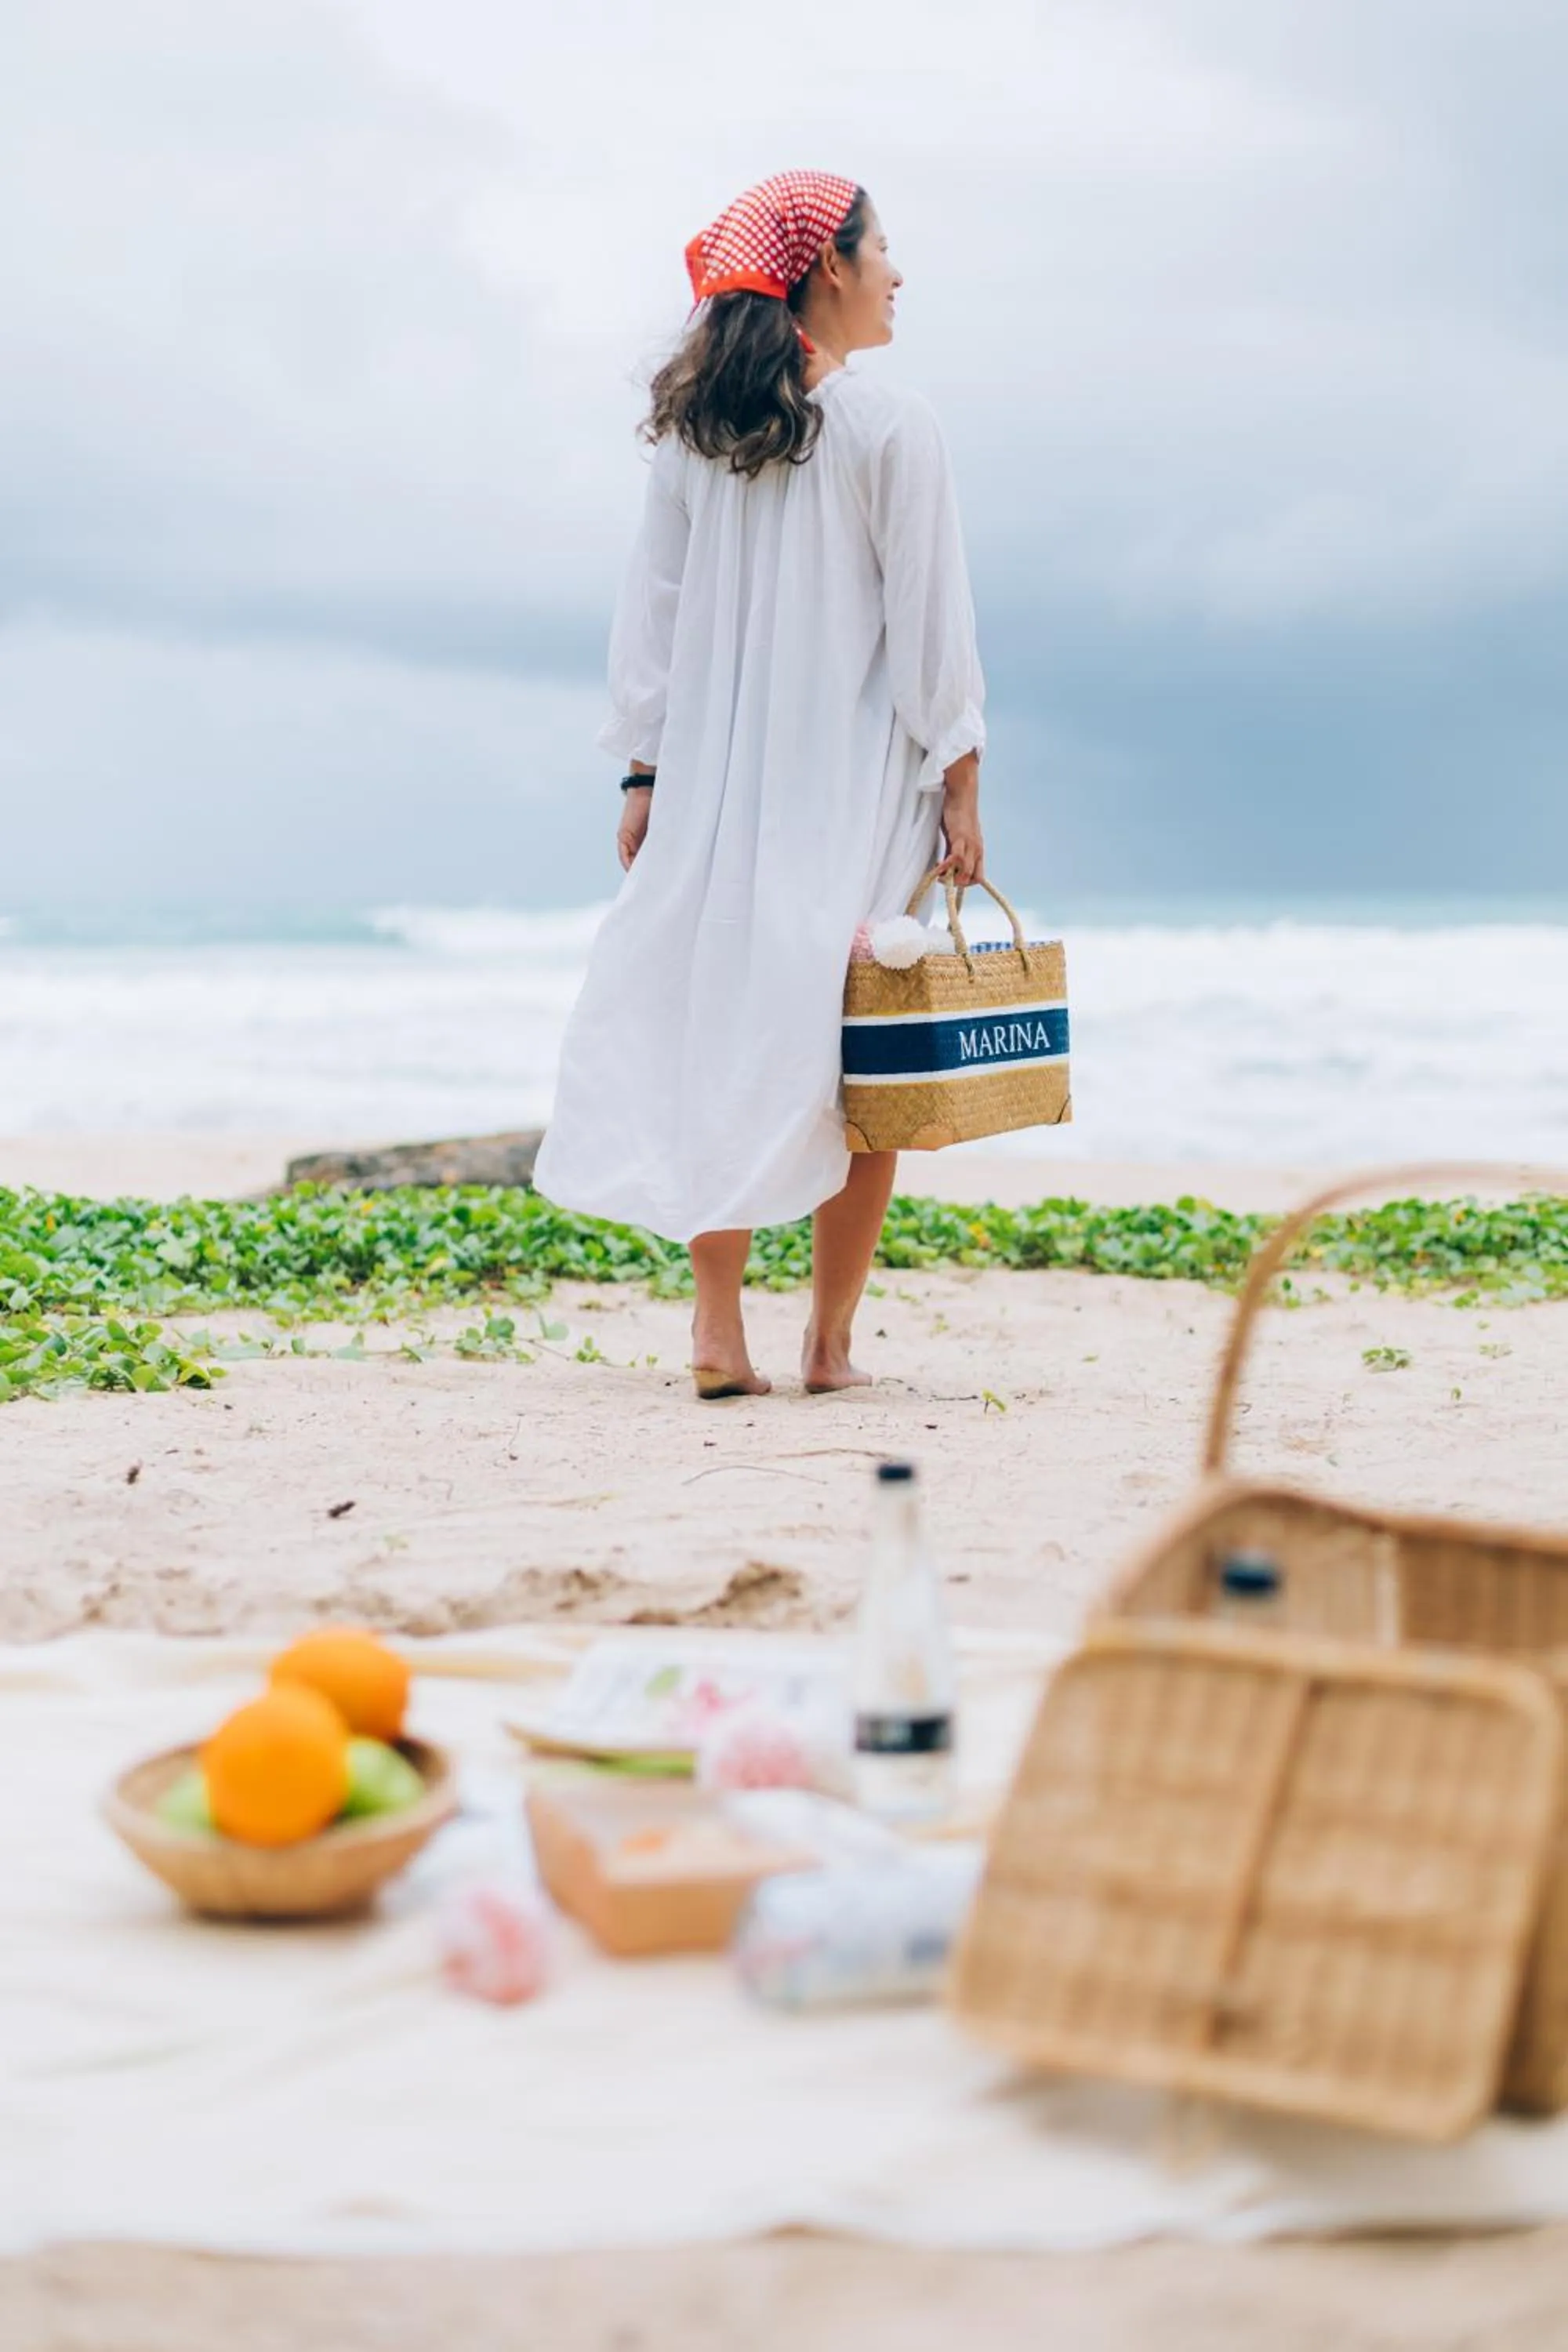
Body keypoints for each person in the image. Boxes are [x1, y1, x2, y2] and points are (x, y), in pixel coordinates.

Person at [530, 171, 986, 1403]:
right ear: (827, 268)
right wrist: (963, 781)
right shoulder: (894, 427)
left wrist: (644, 772)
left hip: (716, 789)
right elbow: (932, 622)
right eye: (883, 247)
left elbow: (653, 617)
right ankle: (829, 1348)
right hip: (853, 786)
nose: (899, 270)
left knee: (719, 1029)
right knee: (866, 1067)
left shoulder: (699, 437)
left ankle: (716, 1328)